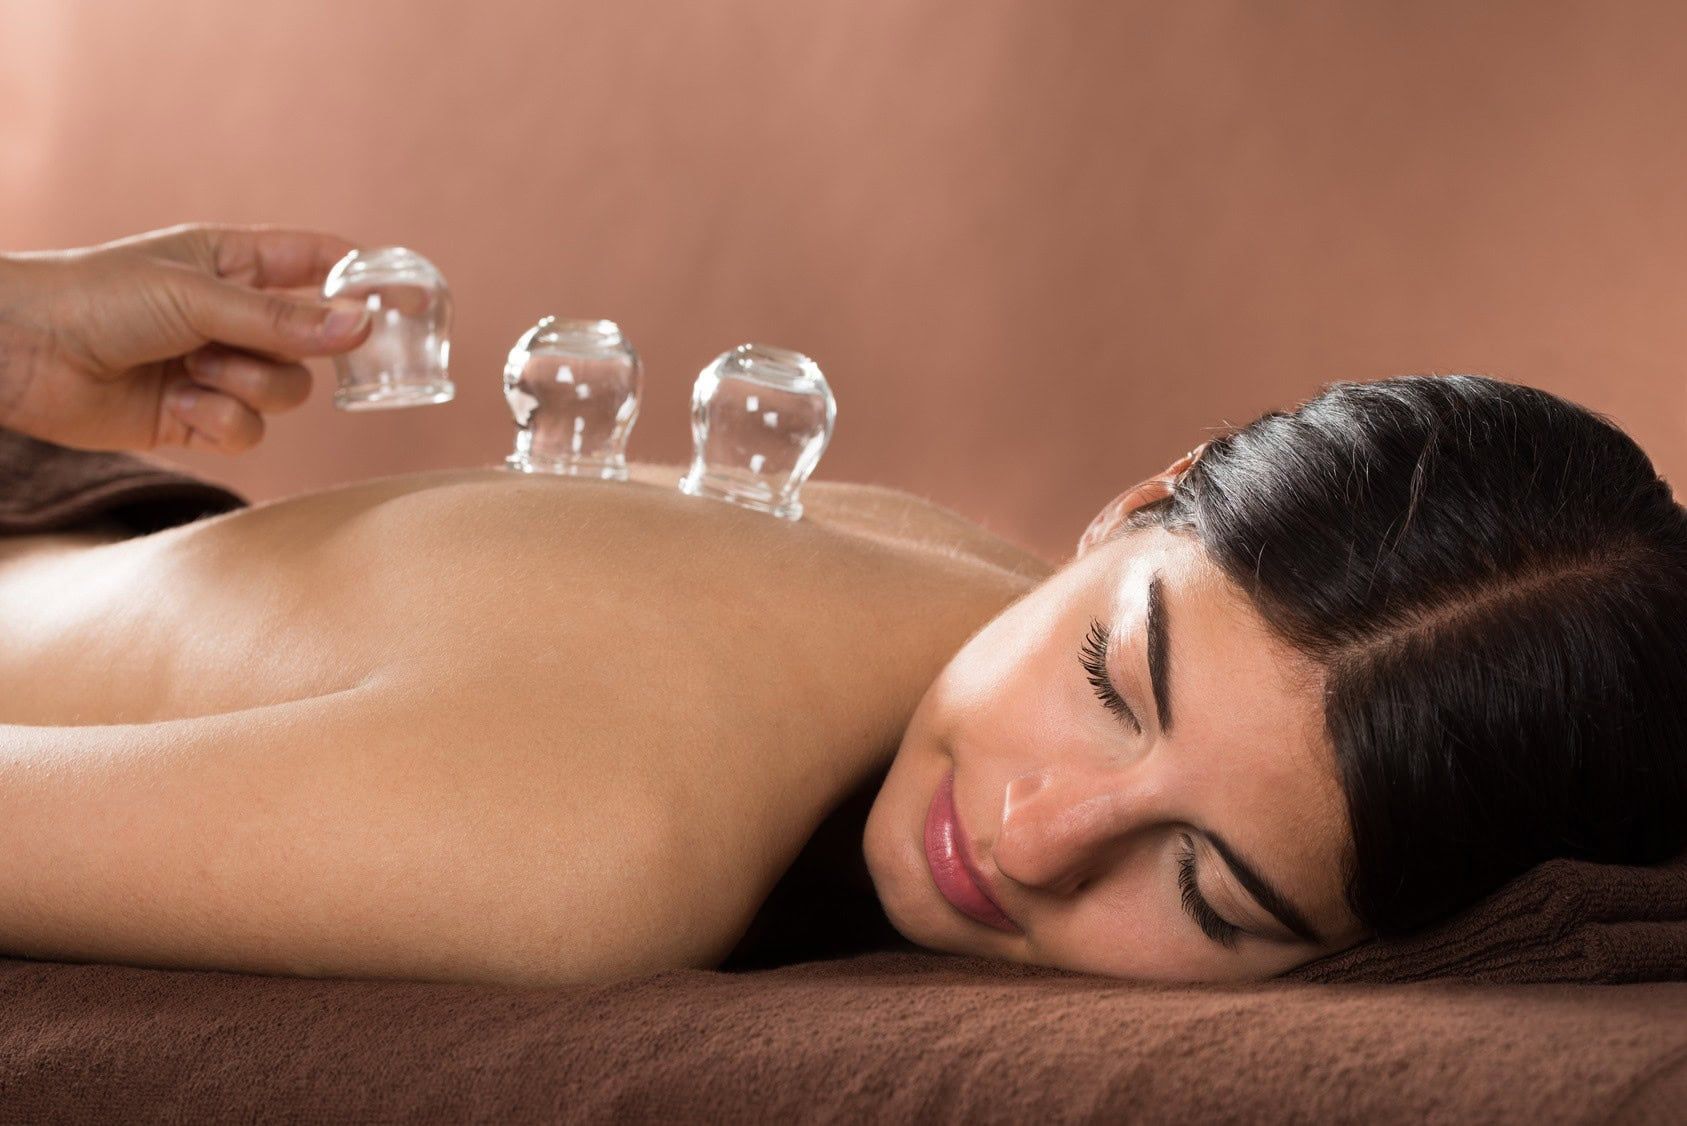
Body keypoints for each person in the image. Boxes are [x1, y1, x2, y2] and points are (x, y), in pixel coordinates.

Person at [0, 226, 1682, 988]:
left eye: (1209, 887)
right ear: (1142, 495)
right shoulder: (586, 839)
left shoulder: (964, 588)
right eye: (1111, 674)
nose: (1030, 840)